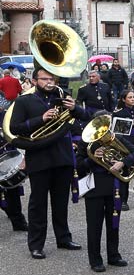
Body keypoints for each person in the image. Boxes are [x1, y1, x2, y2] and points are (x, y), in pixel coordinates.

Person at [9, 65, 88, 259]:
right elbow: (15, 128)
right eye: (44, 79)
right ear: (35, 81)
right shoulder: (24, 101)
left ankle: (64, 238)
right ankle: (36, 244)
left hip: (63, 157)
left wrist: (75, 108)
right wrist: (41, 118)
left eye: (52, 79)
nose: (49, 82)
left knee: (61, 202)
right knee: (38, 203)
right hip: (39, 158)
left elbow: (85, 119)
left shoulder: (62, 98)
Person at [74, 111, 134, 272]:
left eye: (109, 123)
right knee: (94, 225)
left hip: (114, 186)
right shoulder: (87, 143)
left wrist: (122, 163)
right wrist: (91, 159)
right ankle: (95, 259)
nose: (107, 127)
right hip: (95, 187)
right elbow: (78, 166)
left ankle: (114, 255)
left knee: (113, 223)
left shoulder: (116, 137)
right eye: (104, 123)